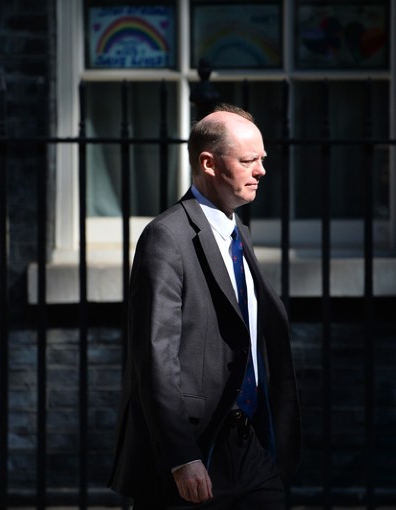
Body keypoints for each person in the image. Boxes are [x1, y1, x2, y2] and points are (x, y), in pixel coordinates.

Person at [109, 104, 302, 509]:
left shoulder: (239, 235)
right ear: (208, 163)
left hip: (251, 445)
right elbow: (154, 357)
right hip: (197, 450)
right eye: (249, 160)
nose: (261, 171)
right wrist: (182, 457)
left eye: (262, 159)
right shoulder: (166, 237)